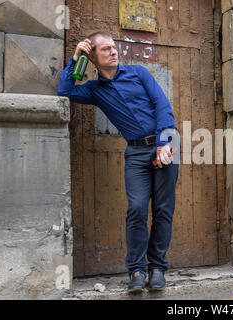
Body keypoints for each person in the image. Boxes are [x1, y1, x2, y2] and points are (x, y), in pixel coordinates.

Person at [57, 32, 179, 293]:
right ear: (93, 56)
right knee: (136, 208)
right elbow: (65, 89)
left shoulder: (139, 73)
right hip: (136, 153)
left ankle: (157, 268)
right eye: (105, 49)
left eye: (114, 47)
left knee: (163, 210)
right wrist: (76, 56)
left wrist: (163, 143)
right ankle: (136, 270)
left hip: (164, 144)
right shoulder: (95, 90)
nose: (113, 52)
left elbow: (162, 105)